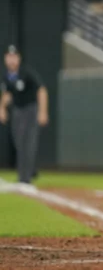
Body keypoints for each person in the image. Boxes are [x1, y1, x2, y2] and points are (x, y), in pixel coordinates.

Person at [0, 46, 49, 185]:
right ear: (5, 59)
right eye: (9, 57)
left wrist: (42, 111)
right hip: (17, 111)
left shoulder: (26, 73)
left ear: (18, 58)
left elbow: (42, 90)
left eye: (14, 57)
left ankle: (25, 178)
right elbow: (7, 94)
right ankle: (28, 171)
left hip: (30, 110)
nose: (11, 60)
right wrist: (2, 108)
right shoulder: (6, 76)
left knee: (28, 143)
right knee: (19, 143)